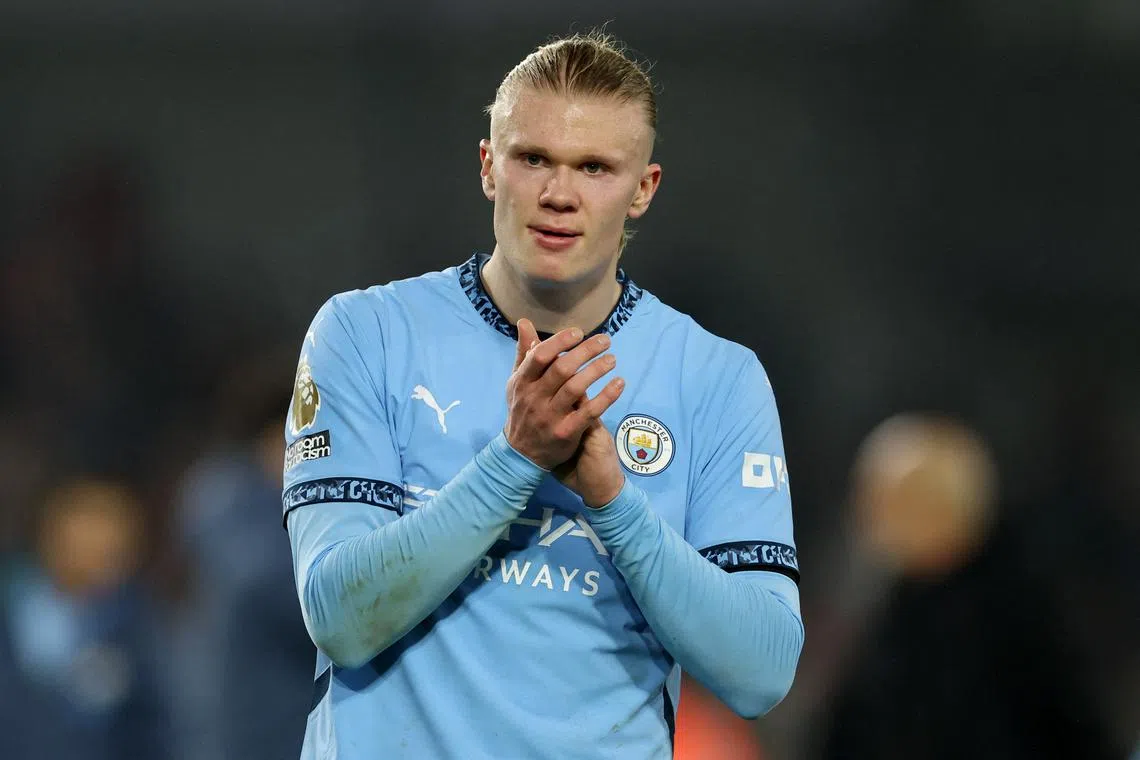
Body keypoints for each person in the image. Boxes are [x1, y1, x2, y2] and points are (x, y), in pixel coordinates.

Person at [282, 31, 803, 759]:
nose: (559, 194)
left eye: (594, 166)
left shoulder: (716, 377)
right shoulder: (367, 335)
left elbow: (762, 672)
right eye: (535, 159)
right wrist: (516, 458)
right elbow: (339, 616)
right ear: (490, 167)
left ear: (643, 190)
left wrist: (615, 505)